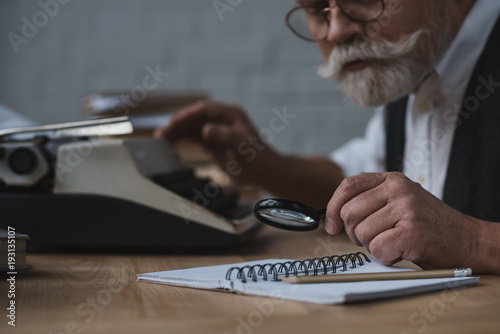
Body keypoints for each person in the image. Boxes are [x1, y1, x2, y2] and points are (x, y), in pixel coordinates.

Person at [155, 0, 500, 275]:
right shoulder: (413, 64)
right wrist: (265, 168)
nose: (336, 31)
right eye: (317, 10)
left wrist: (471, 241)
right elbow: (358, 180)